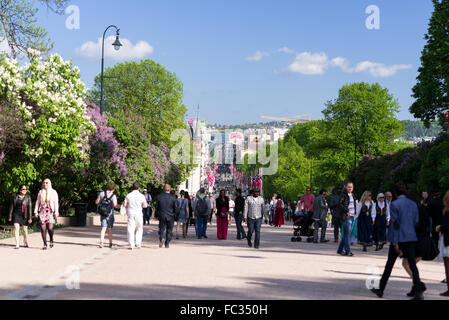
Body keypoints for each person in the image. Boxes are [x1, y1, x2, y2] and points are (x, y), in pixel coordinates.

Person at [371, 185, 425, 300]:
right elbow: (416, 221)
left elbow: (394, 225)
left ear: (395, 194)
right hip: (410, 237)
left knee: (389, 265)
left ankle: (381, 289)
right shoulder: (413, 204)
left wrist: (395, 242)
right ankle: (418, 291)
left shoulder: (395, 204)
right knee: (412, 265)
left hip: (399, 238)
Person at [34, 178, 59, 250]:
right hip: (42, 211)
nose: (45, 184)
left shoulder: (53, 192)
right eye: (44, 183)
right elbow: (37, 202)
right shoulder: (41, 192)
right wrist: (36, 211)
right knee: (42, 228)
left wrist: (56, 212)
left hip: (50, 212)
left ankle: (51, 239)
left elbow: (56, 203)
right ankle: (45, 243)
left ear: (49, 183)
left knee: (50, 228)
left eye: (47, 182)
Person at [95, 182, 120, 248]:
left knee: (103, 228)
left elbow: (97, 202)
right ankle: (110, 243)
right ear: (113, 189)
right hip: (110, 214)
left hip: (103, 213)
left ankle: (101, 243)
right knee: (109, 229)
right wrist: (121, 206)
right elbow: (115, 205)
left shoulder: (102, 193)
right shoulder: (113, 196)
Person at [123, 182, 147, 250]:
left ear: (132, 187)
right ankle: (138, 243)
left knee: (131, 228)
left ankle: (131, 244)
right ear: (139, 188)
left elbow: (125, 205)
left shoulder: (128, 195)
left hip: (131, 212)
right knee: (139, 228)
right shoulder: (141, 195)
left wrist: (129, 206)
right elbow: (145, 205)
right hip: (138, 212)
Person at [8, 184, 32, 249]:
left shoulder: (28, 197)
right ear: (20, 190)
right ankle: (17, 244)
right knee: (16, 228)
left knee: (24, 230)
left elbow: (29, 208)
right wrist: (10, 216)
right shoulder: (15, 197)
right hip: (16, 215)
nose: (25, 190)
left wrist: (30, 218)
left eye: (26, 189)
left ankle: (25, 241)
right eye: (23, 189)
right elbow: (11, 207)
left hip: (24, 215)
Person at [337, 182, 357, 256]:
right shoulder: (343, 195)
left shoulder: (352, 195)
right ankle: (348, 251)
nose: (350, 188)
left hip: (352, 216)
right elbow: (339, 204)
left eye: (351, 187)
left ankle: (340, 250)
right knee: (347, 235)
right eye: (348, 187)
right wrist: (346, 211)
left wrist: (355, 213)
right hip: (346, 217)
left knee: (346, 235)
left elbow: (354, 205)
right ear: (346, 187)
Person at [435, 190, 449, 296]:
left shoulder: (447, 211)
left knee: (447, 265)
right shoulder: (446, 210)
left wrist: (441, 227)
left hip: (447, 240)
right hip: (446, 238)